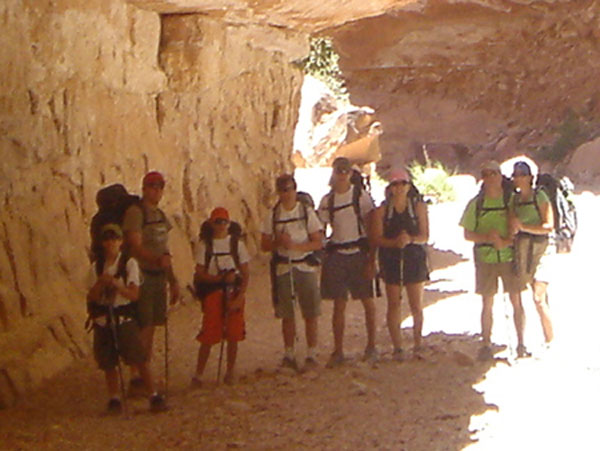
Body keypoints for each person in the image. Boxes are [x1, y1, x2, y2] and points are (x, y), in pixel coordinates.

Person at [86, 224, 166, 413]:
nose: (111, 242)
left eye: (114, 238)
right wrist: (101, 283)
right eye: (107, 239)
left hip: (123, 316)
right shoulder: (96, 267)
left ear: (121, 242)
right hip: (104, 318)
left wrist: (115, 285)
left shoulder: (129, 264)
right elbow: (92, 296)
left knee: (138, 357)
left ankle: (153, 394)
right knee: (108, 362)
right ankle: (114, 398)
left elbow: (134, 294)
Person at [459, 161, 527, 359]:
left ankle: (521, 343)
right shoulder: (476, 203)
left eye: (494, 174)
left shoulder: (512, 201)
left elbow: (519, 227)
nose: (490, 178)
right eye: (486, 174)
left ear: (500, 176)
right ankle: (486, 344)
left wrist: (505, 241)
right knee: (487, 302)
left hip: (509, 256)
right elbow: (467, 234)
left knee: (516, 299)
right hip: (485, 257)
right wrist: (489, 239)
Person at [122, 171, 180, 390]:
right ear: (144, 188)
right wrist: (157, 260)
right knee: (143, 326)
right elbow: (135, 246)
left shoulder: (160, 216)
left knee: (151, 325)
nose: (157, 191)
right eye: (153, 187)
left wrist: (172, 279)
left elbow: (164, 250)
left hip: (157, 275)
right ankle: (138, 375)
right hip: (142, 275)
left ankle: (140, 373)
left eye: (160, 187)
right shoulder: (136, 214)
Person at [318, 157, 377, 367]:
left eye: (345, 170)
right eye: (339, 170)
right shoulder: (327, 201)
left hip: (359, 253)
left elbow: (371, 227)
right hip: (338, 254)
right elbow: (320, 229)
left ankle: (371, 346)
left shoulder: (360, 196)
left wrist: (372, 259)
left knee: (368, 301)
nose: (342, 174)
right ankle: (338, 351)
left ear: (350, 173)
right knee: (339, 304)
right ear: (334, 172)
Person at [261, 174, 323, 371]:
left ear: (295, 190)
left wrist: (296, 246)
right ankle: (289, 353)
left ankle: (311, 353)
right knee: (287, 313)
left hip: (304, 265)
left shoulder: (306, 212)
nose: (286, 194)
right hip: (283, 267)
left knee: (310, 312)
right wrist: (279, 242)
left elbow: (318, 242)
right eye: (283, 190)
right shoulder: (272, 216)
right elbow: (263, 244)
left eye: (289, 189)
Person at [372, 168, 430, 360]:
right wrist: (395, 243)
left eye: (402, 184)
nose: (399, 188)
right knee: (394, 304)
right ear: (390, 187)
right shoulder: (382, 211)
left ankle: (417, 344)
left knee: (416, 304)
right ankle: (398, 347)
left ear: (409, 186)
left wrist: (409, 240)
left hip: (414, 257)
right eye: (395, 184)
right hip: (391, 259)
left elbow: (425, 236)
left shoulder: (419, 207)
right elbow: (377, 238)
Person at [192, 207, 249, 386]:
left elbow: (246, 273)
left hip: (233, 292)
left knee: (233, 333)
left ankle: (230, 371)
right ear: (211, 223)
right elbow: (200, 273)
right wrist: (220, 278)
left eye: (224, 222)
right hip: (213, 292)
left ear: (229, 223)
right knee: (209, 332)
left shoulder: (236, 244)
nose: (221, 225)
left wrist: (240, 296)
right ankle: (198, 374)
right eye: (218, 222)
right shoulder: (204, 245)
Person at [509, 161, 554, 345]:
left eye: (521, 175)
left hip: (542, 250)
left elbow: (549, 226)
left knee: (538, 298)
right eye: (516, 175)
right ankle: (526, 341)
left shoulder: (540, 196)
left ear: (529, 177)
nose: (518, 178)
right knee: (528, 295)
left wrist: (524, 227)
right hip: (523, 250)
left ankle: (550, 340)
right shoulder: (515, 200)